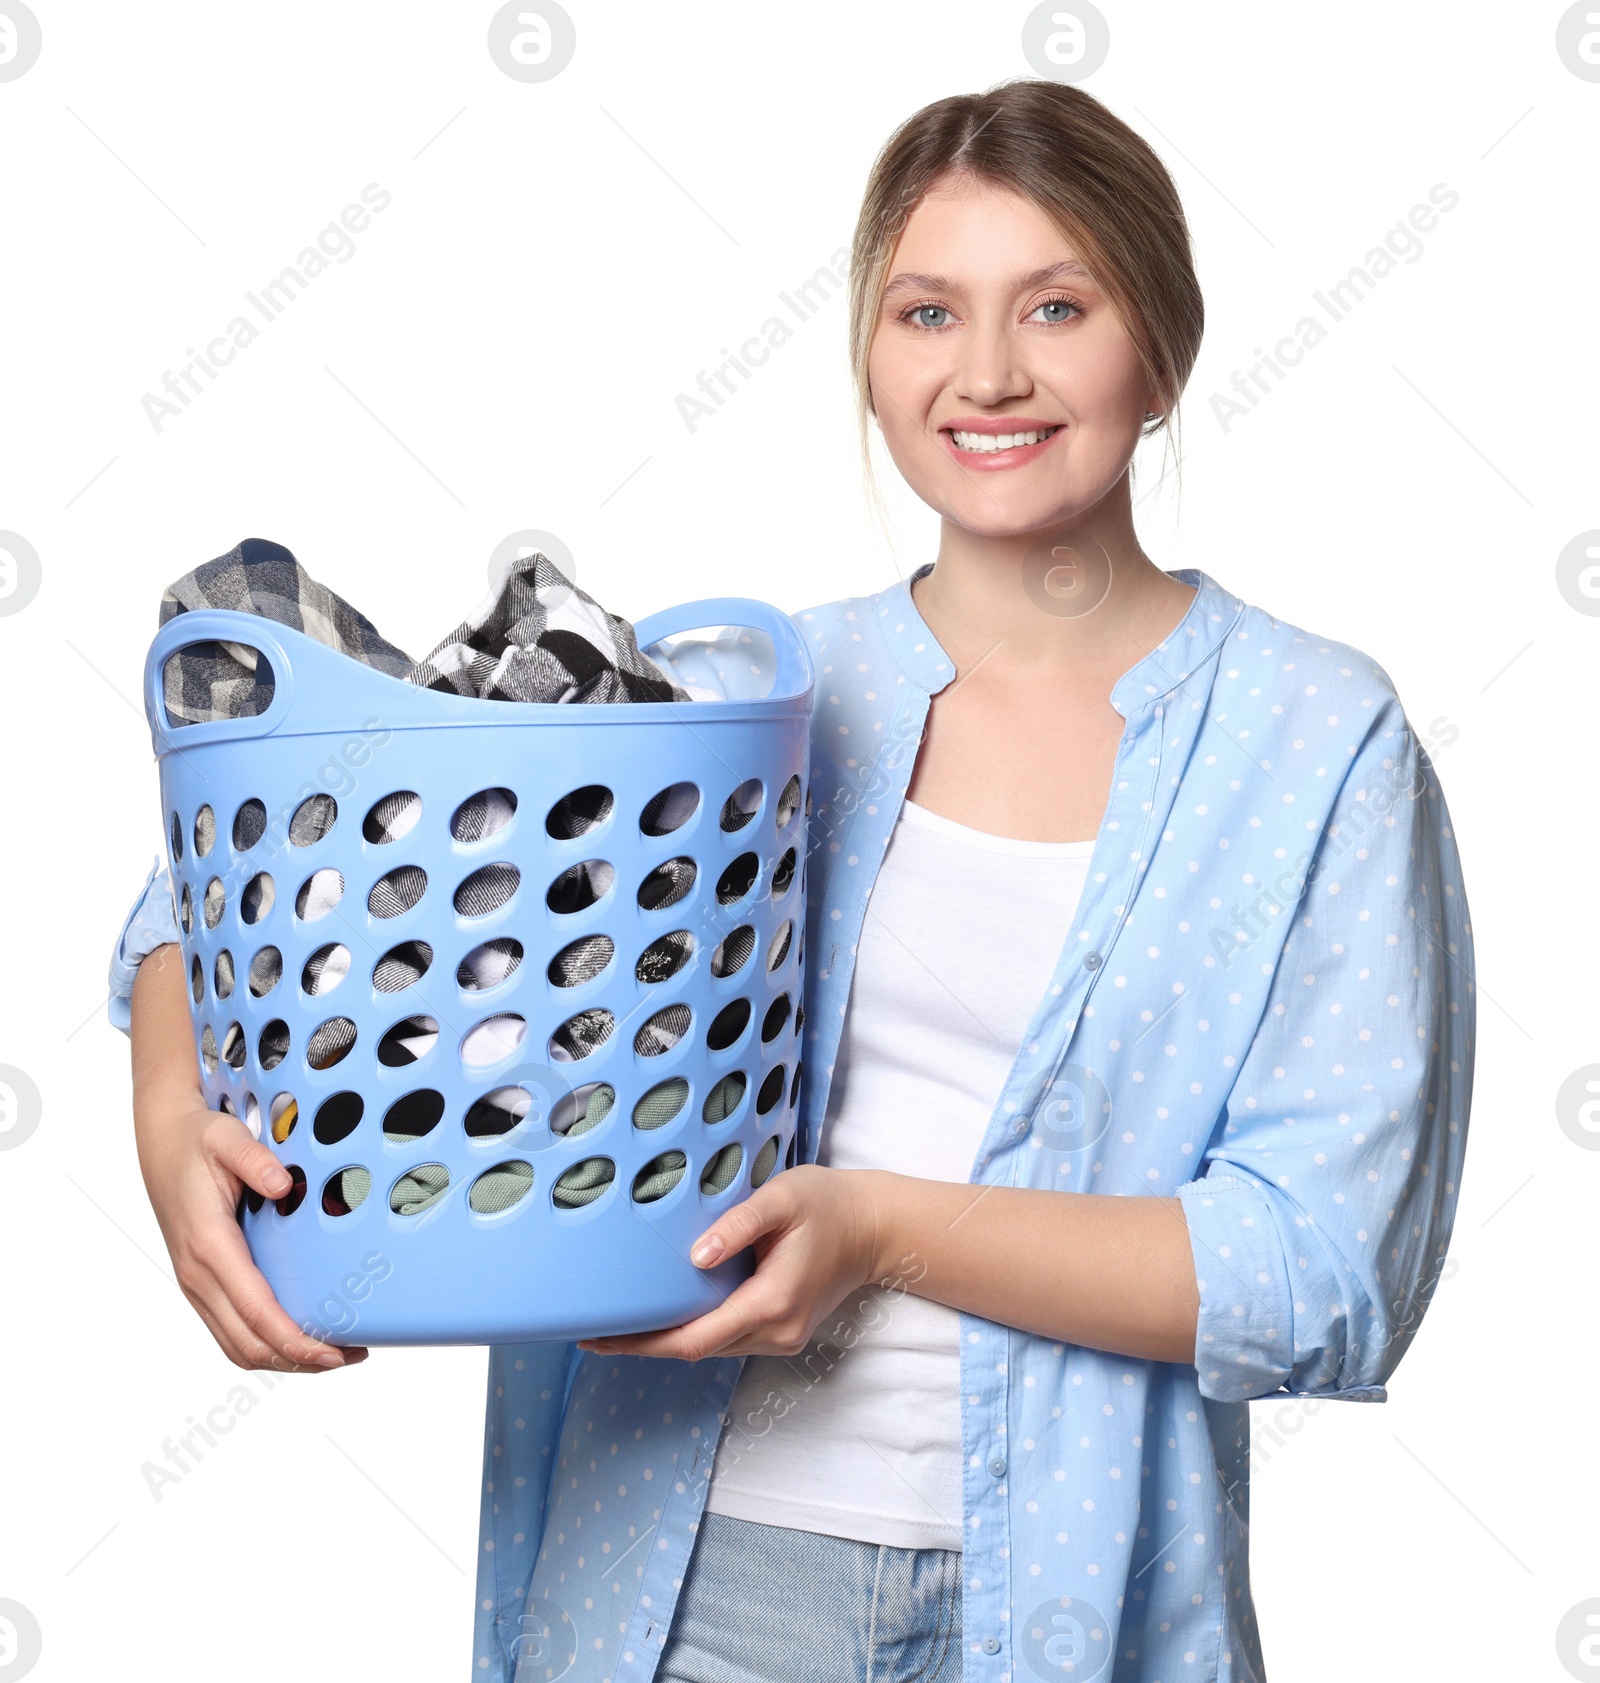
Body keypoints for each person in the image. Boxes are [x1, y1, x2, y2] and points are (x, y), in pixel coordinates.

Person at [110, 79, 1474, 1683]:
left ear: (1159, 347)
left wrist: (883, 1233)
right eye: (926, 312)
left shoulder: (1315, 745)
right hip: (690, 1595)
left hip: (1075, 1606)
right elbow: (263, 876)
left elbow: (1318, 1271)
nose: (988, 373)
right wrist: (162, 1108)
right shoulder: (733, 702)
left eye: (1057, 305)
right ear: (871, 358)